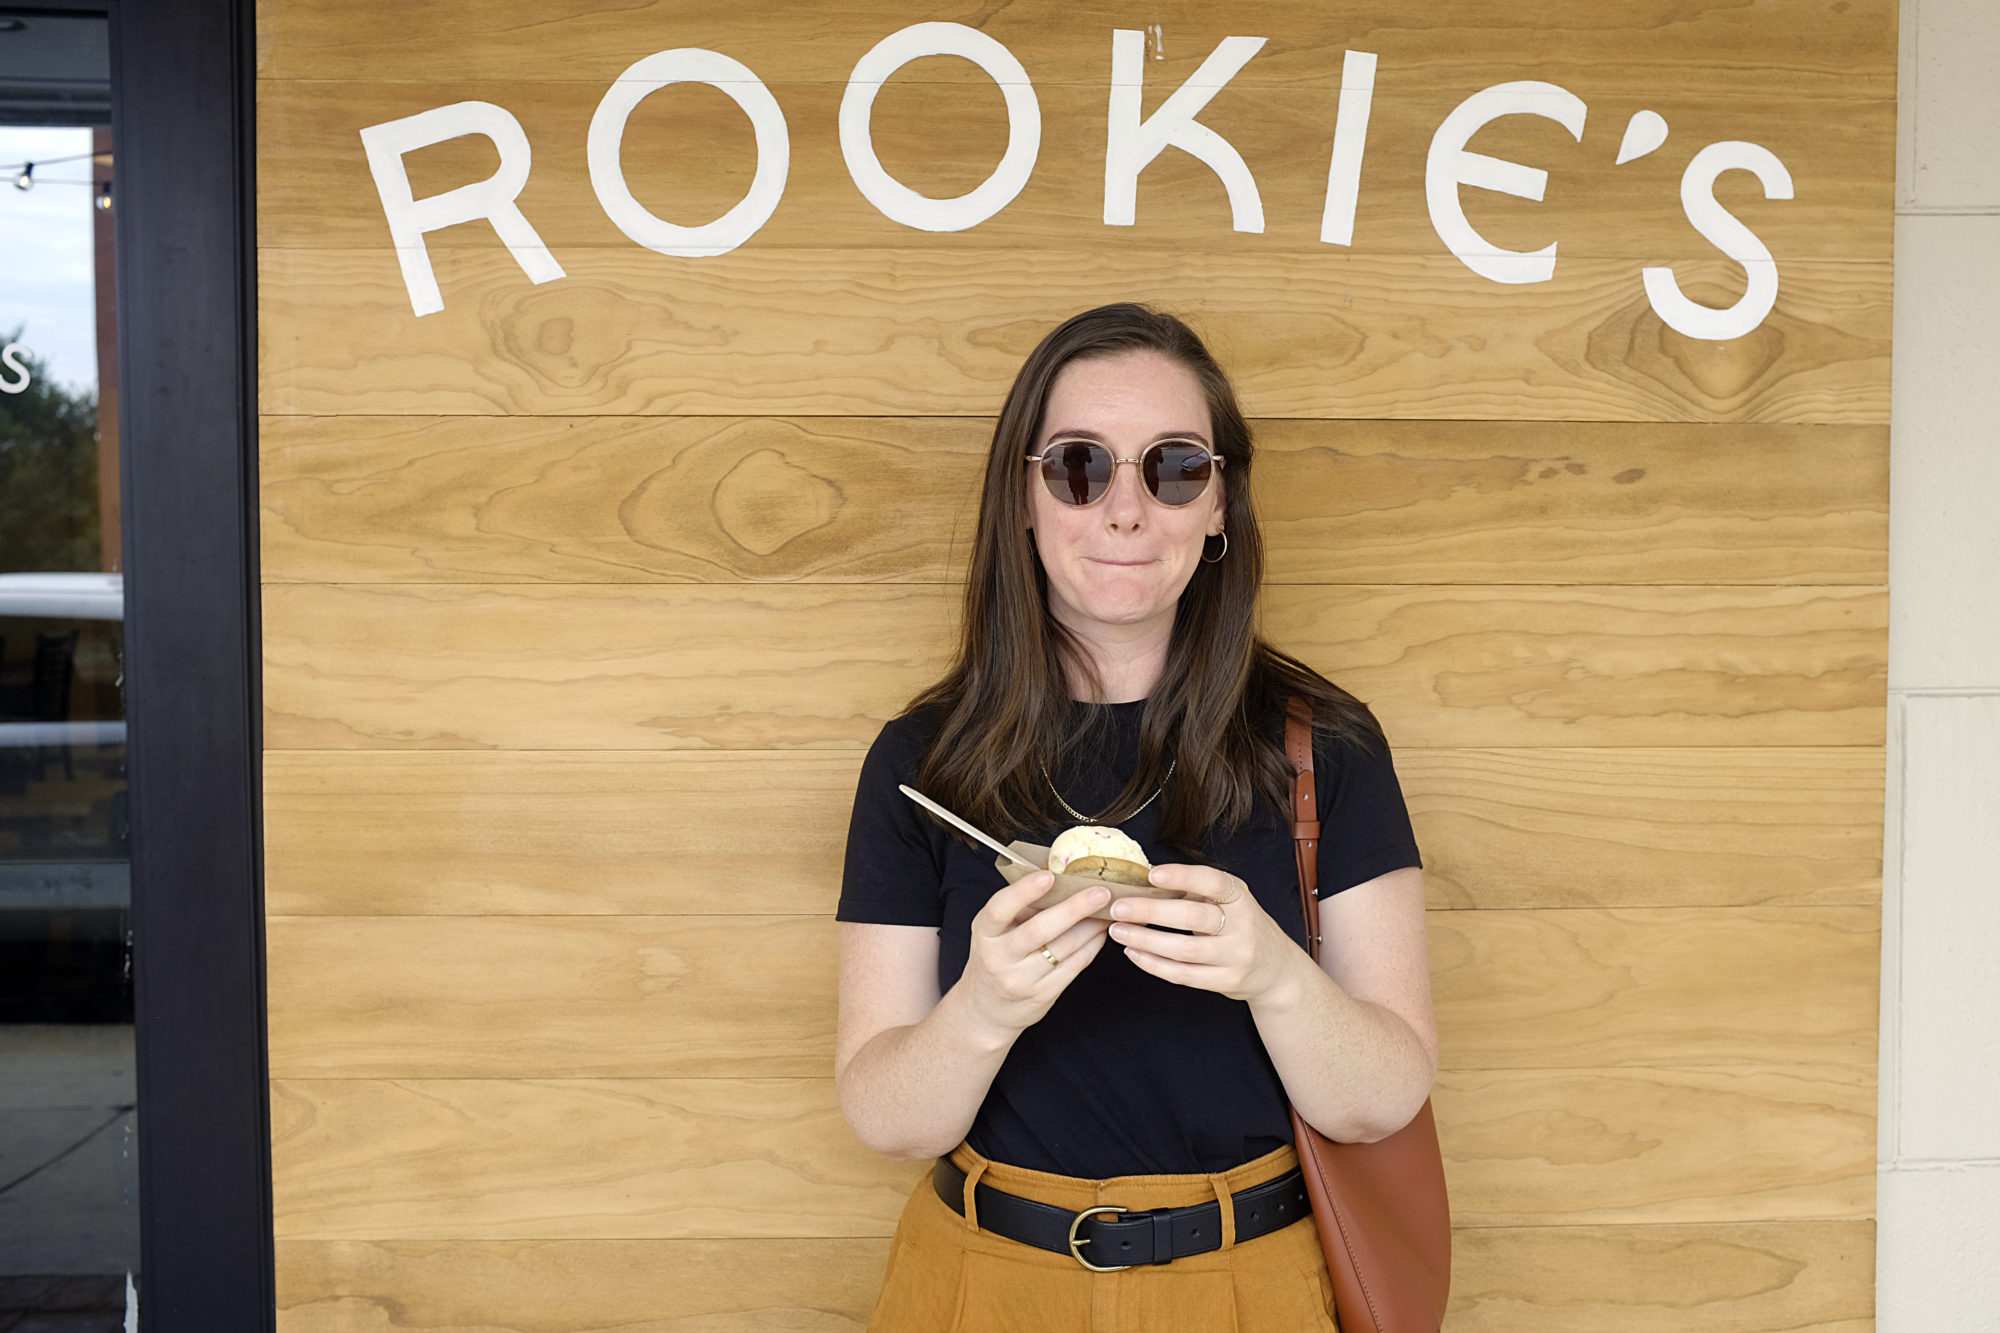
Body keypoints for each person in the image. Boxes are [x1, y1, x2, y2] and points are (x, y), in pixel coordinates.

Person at [834, 303, 1435, 1331]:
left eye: (1172, 468)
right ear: (1022, 498)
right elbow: (886, 1120)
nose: (1124, 509)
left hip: (1252, 1288)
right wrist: (983, 1004)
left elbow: (1379, 1100)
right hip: (982, 1283)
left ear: (1218, 507)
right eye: (1078, 466)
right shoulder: (921, 763)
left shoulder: (1323, 746)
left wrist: (1272, 973)